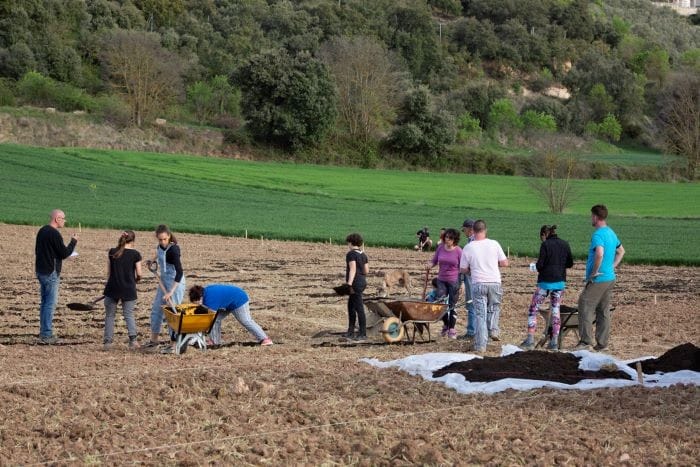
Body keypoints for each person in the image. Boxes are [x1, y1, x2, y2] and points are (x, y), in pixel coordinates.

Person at [575, 205, 625, 351]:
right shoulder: (611, 232)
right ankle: (602, 344)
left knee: (584, 304)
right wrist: (612, 267)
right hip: (610, 278)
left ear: (596, 217)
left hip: (599, 279)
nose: (591, 218)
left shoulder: (598, 235)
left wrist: (594, 272)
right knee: (603, 310)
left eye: (591, 216)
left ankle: (585, 342)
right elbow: (621, 251)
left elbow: (599, 253)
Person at [520, 225, 573, 351]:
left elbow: (540, 265)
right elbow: (570, 263)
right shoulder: (565, 244)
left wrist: (534, 266)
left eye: (541, 237)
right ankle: (554, 342)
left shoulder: (545, 245)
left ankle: (530, 339)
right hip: (559, 283)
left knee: (533, 309)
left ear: (544, 234)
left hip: (545, 283)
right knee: (556, 310)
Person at [460, 220, 509, 353]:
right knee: (494, 308)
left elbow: (463, 269)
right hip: (494, 282)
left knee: (480, 315)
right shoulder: (494, 244)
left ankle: (481, 345)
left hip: (478, 283)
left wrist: (471, 270)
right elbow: (504, 263)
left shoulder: (469, 247)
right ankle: (493, 329)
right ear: (485, 230)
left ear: (473, 231)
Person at [35, 209, 78, 344]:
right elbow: (64, 253)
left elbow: (48, 251)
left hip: (41, 270)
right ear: (57, 219)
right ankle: (47, 335)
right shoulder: (55, 234)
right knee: (50, 303)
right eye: (63, 218)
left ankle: (43, 332)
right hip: (50, 272)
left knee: (44, 302)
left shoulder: (42, 230)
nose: (65, 221)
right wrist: (73, 242)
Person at [144, 224, 186, 350]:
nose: (162, 242)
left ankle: (174, 344)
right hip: (163, 281)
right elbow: (159, 252)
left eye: (164, 239)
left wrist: (171, 292)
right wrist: (151, 260)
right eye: (160, 239)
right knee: (156, 310)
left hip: (175, 283)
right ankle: (154, 340)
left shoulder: (174, 250)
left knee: (172, 313)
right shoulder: (160, 246)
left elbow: (180, 272)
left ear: (169, 236)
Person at [189, 284, 272, 346]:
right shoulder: (205, 292)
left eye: (197, 302)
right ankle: (215, 341)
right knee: (216, 320)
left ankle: (265, 339)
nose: (198, 304)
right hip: (228, 303)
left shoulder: (210, 299)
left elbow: (211, 315)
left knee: (246, 320)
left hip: (239, 300)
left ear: (200, 297)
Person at [102, 230, 143, 351]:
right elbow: (139, 273)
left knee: (110, 315)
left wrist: (109, 285)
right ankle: (133, 341)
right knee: (128, 314)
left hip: (112, 288)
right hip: (128, 289)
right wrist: (136, 280)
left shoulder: (112, 252)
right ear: (133, 241)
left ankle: (107, 343)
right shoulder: (135, 254)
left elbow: (109, 273)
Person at [427, 228, 462, 339]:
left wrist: (462, 283)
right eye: (446, 237)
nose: (447, 240)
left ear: (455, 240)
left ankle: (452, 329)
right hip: (441, 280)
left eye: (450, 238)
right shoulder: (440, 248)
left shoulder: (459, 251)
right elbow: (434, 261)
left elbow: (463, 268)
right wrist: (429, 265)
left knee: (452, 305)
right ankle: (446, 324)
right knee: (440, 303)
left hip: (454, 281)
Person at [344, 232, 369, 340]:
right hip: (362, 282)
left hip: (355, 284)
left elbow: (353, 269)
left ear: (351, 242)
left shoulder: (351, 254)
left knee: (359, 308)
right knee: (351, 306)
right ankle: (350, 331)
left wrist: (349, 283)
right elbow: (366, 271)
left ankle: (363, 334)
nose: (348, 245)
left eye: (348, 243)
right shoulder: (363, 254)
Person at [458, 219, 476, 341]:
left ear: (470, 229)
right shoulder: (477, 241)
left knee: (471, 303)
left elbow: (466, 264)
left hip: (472, 277)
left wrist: (463, 280)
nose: (463, 232)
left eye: (464, 229)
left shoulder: (472, 244)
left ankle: (471, 331)